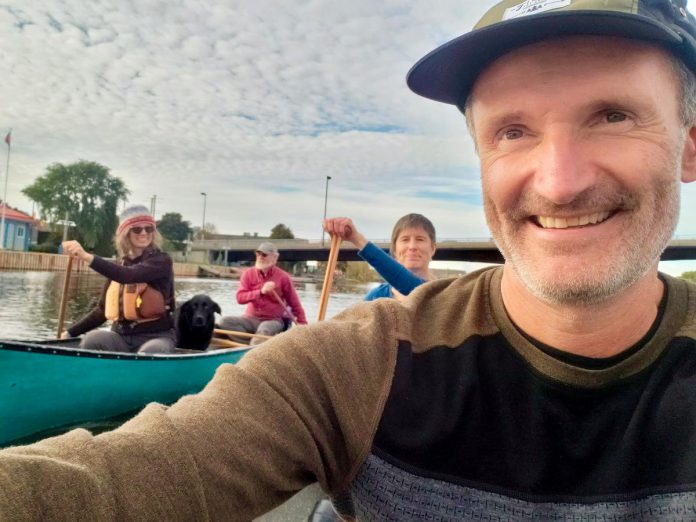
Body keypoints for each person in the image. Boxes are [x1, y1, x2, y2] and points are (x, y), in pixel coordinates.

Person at [3, 1, 696, 520]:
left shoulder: (374, 296)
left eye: (613, 115)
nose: (559, 180)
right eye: (513, 130)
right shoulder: (359, 366)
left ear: (690, 147)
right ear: (482, 159)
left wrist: (356, 253)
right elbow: (107, 481)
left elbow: (321, 304)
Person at [60, 204, 176, 354]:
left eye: (148, 229)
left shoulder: (161, 261)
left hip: (156, 337)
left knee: (149, 353)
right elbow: (102, 310)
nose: (143, 233)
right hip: (121, 337)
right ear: (125, 233)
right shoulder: (119, 267)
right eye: (137, 229)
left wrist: (86, 256)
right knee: (92, 339)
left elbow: (129, 275)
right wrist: (70, 333)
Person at [323, 213, 437, 301]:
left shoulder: (446, 292)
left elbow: (416, 290)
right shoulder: (374, 298)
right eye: (405, 239)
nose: (412, 246)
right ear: (395, 250)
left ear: (432, 248)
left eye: (420, 239)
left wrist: (356, 238)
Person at [218, 241, 307, 344]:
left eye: (264, 255)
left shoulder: (283, 277)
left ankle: (255, 345)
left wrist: (303, 325)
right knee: (224, 321)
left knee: (264, 329)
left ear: (274, 258)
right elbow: (240, 298)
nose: (260, 257)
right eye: (258, 253)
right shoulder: (248, 274)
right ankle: (249, 344)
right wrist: (260, 292)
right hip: (250, 318)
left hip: (273, 320)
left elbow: (295, 304)